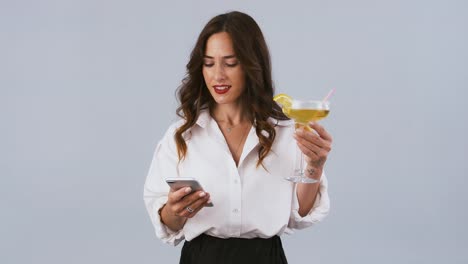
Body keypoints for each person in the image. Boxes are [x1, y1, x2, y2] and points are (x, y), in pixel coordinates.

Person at [143, 11, 333, 264]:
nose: (217, 75)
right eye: (209, 63)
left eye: (230, 63)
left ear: (252, 65)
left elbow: (300, 215)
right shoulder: (181, 135)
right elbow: (168, 224)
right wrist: (175, 210)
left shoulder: (287, 132)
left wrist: (315, 166)